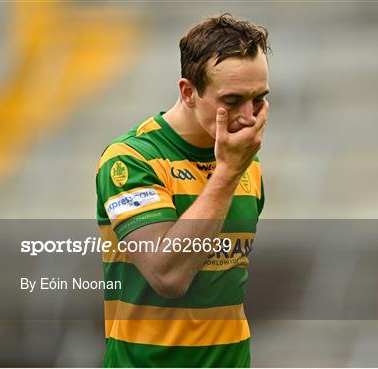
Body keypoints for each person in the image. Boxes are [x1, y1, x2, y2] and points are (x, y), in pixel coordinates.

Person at [95, 12, 270, 368]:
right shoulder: (130, 160)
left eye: (259, 98)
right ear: (188, 92)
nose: (250, 117)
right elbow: (168, 275)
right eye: (233, 100)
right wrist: (226, 175)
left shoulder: (245, 162)